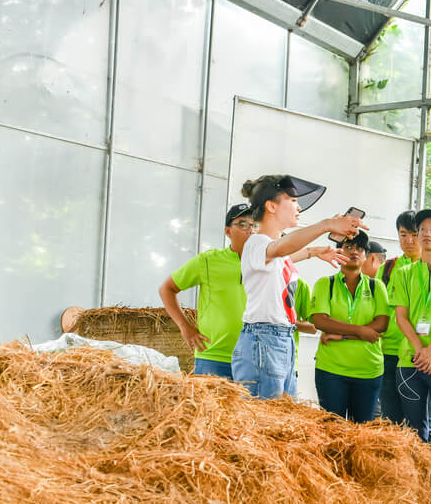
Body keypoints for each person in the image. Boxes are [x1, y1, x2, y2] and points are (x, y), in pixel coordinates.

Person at [232, 175, 361, 399]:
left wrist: (314, 252)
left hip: (279, 339)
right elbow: (280, 250)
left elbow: (284, 255)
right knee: (266, 420)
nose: (298, 206)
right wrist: (326, 225)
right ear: (271, 206)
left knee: (282, 420)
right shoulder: (256, 243)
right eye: (292, 201)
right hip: (264, 340)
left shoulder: (270, 248)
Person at [158, 203, 255, 379]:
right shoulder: (208, 260)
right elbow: (167, 289)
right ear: (228, 231)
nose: (250, 229)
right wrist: (184, 326)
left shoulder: (267, 264)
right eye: (242, 224)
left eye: (254, 224)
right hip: (213, 357)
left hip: (254, 359)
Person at [310, 231, 389, 422]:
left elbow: (382, 324)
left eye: (360, 248)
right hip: (331, 370)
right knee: (332, 430)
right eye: (349, 247)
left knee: (361, 434)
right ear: (339, 252)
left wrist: (341, 335)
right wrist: (361, 331)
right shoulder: (325, 284)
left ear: (366, 256)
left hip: (368, 370)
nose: (355, 251)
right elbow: (320, 321)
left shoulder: (376, 286)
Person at [390, 209, 431, 443]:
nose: (426, 234)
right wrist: (420, 350)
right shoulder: (403, 273)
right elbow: (401, 317)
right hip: (410, 360)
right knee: (414, 433)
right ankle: (417, 479)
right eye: (422, 229)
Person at [378, 211, 421, 420]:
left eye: (414, 234)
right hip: (388, 353)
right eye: (403, 235)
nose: (409, 241)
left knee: (420, 421)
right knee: (390, 419)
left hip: (418, 354)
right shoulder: (388, 268)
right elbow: (378, 308)